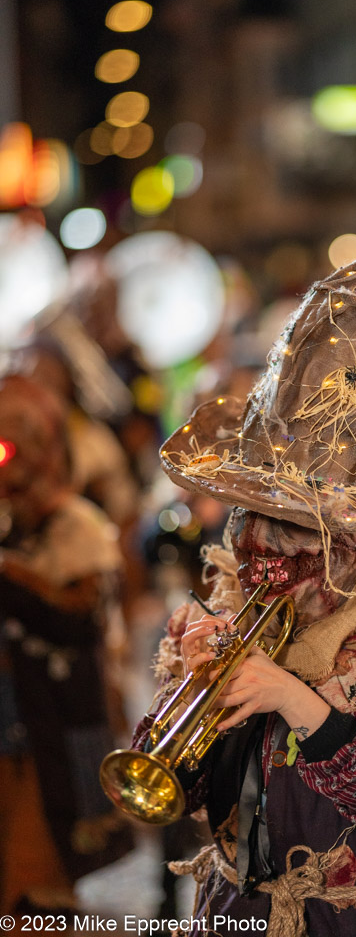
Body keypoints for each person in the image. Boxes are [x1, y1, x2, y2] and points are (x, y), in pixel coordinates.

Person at [114, 226, 356, 936]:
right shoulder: (224, 618)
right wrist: (186, 692)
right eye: (255, 518)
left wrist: (293, 698)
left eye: (300, 530)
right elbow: (183, 792)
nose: (267, 548)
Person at [0, 374, 132, 915]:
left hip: (53, 723)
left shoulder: (79, 526)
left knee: (39, 872)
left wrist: (10, 576)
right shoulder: (15, 524)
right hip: (15, 719)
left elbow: (75, 618)